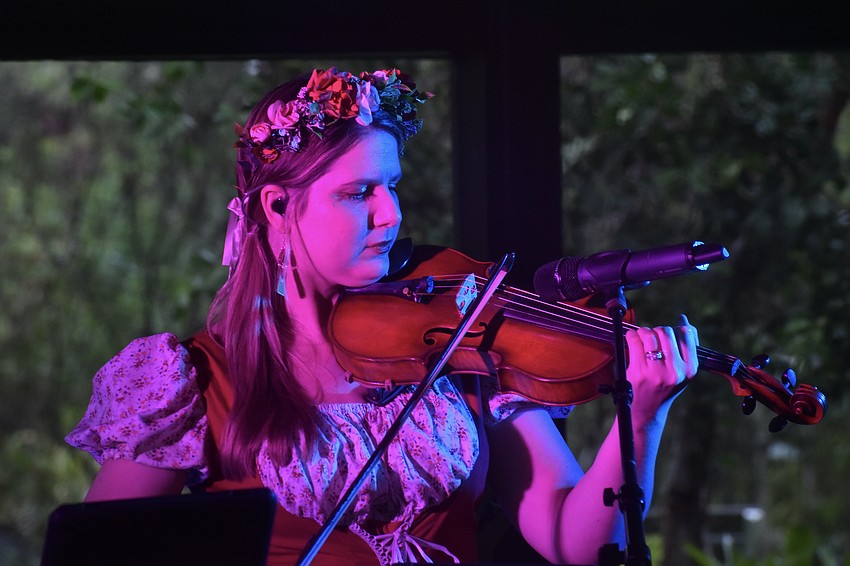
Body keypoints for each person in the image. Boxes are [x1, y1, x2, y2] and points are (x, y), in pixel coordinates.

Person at [66, 66, 700, 565]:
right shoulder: (195, 380)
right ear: (279, 208)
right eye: (357, 193)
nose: (390, 215)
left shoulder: (457, 345)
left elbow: (573, 539)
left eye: (391, 185)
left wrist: (641, 419)